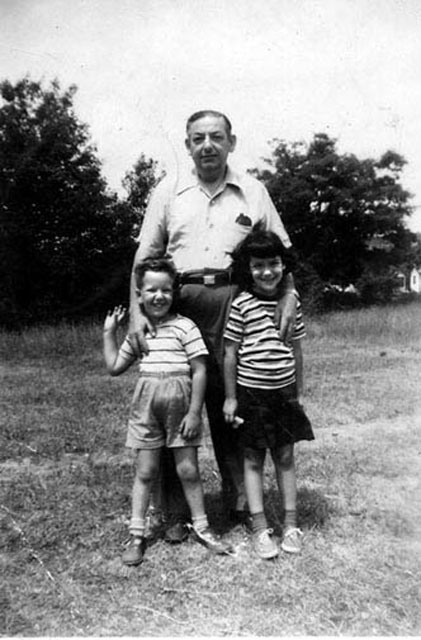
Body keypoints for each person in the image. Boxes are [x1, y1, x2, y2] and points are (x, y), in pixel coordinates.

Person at [129, 110, 298, 536]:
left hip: (233, 300)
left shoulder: (253, 191)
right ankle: (176, 513)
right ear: (187, 145)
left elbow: (282, 251)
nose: (208, 145)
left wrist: (289, 295)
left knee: (232, 401)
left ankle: (241, 501)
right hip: (179, 303)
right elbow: (143, 259)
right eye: (198, 138)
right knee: (174, 402)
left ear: (231, 142)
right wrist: (136, 312)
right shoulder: (168, 191)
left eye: (216, 137)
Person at [103, 257, 232, 566]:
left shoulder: (185, 327)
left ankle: (202, 527)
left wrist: (193, 412)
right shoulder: (139, 333)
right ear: (139, 293)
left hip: (180, 407)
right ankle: (137, 534)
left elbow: (199, 371)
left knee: (188, 470)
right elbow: (115, 367)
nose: (158, 296)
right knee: (146, 471)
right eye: (151, 290)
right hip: (146, 408)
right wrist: (109, 333)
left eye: (165, 290)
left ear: (174, 291)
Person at [223, 225, 314, 559]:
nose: (267, 272)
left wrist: (298, 392)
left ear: (283, 264)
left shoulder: (291, 303)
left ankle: (291, 524)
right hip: (251, 394)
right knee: (252, 458)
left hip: (283, 393)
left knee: (286, 455)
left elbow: (298, 350)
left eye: (274, 263)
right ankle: (261, 528)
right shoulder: (242, 305)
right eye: (258, 265)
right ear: (248, 269)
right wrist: (231, 397)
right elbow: (230, 353)